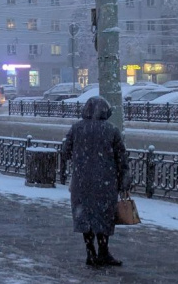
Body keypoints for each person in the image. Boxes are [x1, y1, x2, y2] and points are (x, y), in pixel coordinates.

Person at [62, 96, 131, 267]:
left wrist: (80, 162)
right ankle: (103, 252)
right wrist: (124, 182)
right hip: (105, 183)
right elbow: (122, 159)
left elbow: (65, 152)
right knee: (103, 217)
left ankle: (90, 252)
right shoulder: (112, 130)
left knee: (85, 217)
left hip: (81, 182)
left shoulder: (76, 128)